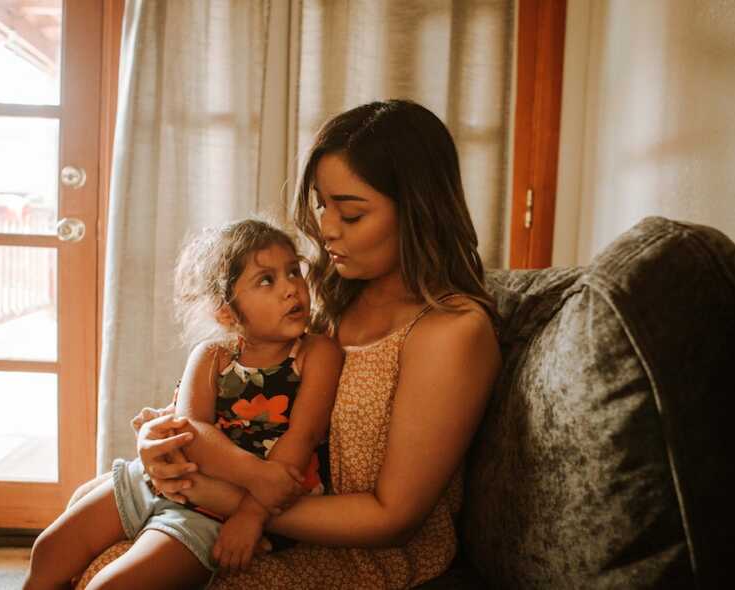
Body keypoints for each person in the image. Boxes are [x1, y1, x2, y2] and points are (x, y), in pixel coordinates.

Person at [128, 99, 503, 589]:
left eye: (350, 213)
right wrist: (159, 441)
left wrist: (232, 502)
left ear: (417, 211)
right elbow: (237, 404)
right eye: (323, 204)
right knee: (84, 551)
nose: (325, 228)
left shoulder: (453, 332)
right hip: (260, 517)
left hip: (365, 557)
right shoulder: (329, 301)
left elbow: (392, 519)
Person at [24, 219, 344, 590]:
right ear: (227, 312)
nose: (291, 288)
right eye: (266, 280)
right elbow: (192, 432)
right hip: (155, 480)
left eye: (293, 272)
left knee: (109, 587)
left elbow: (303, 437)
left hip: (212, 512)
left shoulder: (316, 352)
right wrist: (257, 475)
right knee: (48, 552)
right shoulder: (211, 356)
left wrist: (251, 514)